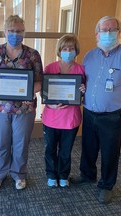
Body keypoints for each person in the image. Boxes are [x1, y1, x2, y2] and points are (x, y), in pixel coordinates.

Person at [72, 16, 121, 204]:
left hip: (113, 115)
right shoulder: (89, 56)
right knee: (88, 147)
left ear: (118, 32)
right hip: (89, 112)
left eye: (111, 29)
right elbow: (84, 81)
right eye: (103, 30)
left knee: (109, 151)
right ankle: (88, 175)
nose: (107, 33)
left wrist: (118, 98)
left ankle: (106, 185)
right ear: (97, 34)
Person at [0, 15, 43, 190]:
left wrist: (26, 91)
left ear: (23, 32)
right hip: (0, 107)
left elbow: (39, 81)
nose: (15, 34)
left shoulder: (32, 54)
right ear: (5, 31)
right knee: (1, 142)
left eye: (19, 31)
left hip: (24, 108)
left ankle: (19, 174)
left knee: (20, 143)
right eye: (11, 31)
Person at [41, 34, 85, 188]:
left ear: (76, 50)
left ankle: (63, 174)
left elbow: (84, 93)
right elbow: (44, 92)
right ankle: (52, 174)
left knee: (66, 151)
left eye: (71, 48)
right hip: (51, 117)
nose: (68, 51)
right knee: (50, 149)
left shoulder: (81, 69)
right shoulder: (50, 68)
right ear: (59, 50)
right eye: (65, 48)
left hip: (70, 119)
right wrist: (50, 104)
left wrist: (83, 90)